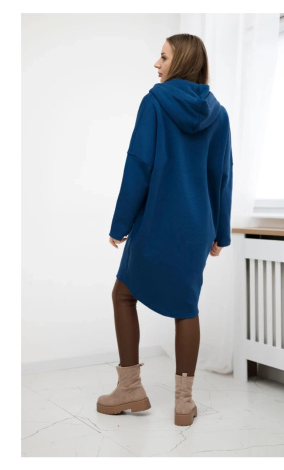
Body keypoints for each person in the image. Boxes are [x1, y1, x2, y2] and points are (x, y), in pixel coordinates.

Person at [97, 34, 233, 426]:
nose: (156, 64)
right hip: (197, 226)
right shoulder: (219, 113)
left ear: (182, 61)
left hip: (157, 220)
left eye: (163, 57)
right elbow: (222, 175)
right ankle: (184, 404)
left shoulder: (154, 102)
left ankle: (129, 388)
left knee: (124, 294)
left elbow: (139, 164)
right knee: (187, 306)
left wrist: (121, 223)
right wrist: (220, 232)